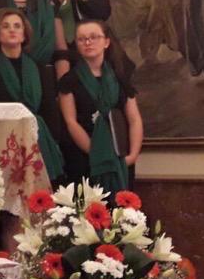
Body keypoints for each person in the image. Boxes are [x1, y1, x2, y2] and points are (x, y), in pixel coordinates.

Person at [0, 8, 65, 184]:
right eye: (6, 26)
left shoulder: (40, 69)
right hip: (2, 142)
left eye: (17, 26)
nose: (12, 30)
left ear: (24, 35)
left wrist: (54, 142)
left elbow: (49, 109)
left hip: (38, 139)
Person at [58, 19, 142, 192]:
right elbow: (71, 122)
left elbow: (134, 120)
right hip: (86, 158)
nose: (88, 42)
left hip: (120, 156)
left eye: (94, 37)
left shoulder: (120, 77)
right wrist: (98, 153)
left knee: (122, 213)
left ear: (106, 42)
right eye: (82, 39)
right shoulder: (69, 81)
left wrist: (133, 155)